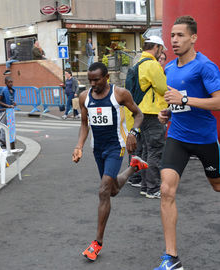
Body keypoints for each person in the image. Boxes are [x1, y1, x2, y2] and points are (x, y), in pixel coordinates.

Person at [155, 15, 220, 270]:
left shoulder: (206, 66)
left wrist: (185, 101)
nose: (174, 40)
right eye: (172, 35)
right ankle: (171, 258)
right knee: (167, 190)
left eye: (180, 35)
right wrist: (167, 113)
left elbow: (218, 102)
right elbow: (176, 104)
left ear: (193, 37)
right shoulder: (169, 69)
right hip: (177, 137)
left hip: (204, 139)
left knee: (217, 186)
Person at [72, 62, 148, 261]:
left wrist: (133, 132)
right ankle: (134, 167)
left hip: (117, 147)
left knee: (104, 190)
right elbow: (84, 124)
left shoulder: (120, 94)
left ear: (106, 77)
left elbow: (138, 114)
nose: (93, 83)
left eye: (96, 79)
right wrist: (78, 146)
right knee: (112, 190)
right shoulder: (84, 97)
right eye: (90, 80)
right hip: (98, 149)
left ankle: (97, 243)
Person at [131, 36, 168, 199]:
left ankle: (146, 186)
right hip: (152, 112)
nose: (162, 52)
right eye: (161, 49)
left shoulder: (138, 63)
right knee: (155, 151)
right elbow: (162, 88)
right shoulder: (152, 64)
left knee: (146, 149)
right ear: (157, 47)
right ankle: (153, 188)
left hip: (141, 112)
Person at [0, 76, 16, 148]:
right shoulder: (3, 90)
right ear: (5, 83)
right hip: (3, 111)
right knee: (3, 127)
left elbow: (10, 100)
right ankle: (2, 142)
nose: (11, 83)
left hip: (9, 111)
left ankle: (9, 141)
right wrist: (7, 106)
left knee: (10, 127)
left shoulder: (12, 90)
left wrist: (13, 103)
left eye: (11, 82)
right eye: (9, 82)